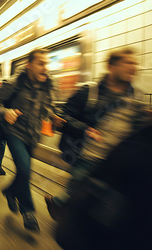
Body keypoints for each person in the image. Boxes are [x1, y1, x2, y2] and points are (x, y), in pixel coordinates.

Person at [46, 47, 151, 220]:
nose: (134, 67)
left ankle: (60, 203)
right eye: (128, 63)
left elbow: (138, 129)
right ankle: (63, 209)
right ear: (111, 66)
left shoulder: (137, 97)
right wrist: (85, 130)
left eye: (135, 63)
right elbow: (62, 114)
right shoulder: (90, 91)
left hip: (119, 160)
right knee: (82, 196)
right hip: (89, 156)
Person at [0, 48, 63, 232]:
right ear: (29, 65)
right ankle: (28, 211)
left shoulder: (49, 84)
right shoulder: (13, 83)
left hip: (33, 135)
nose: (45, 68)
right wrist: (5, 112)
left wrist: (54, 116)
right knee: (24, 169)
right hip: (15, 133)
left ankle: (10, 191)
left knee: (24, 171)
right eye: (41, 63)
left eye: (47, 63)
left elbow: (50, 106)